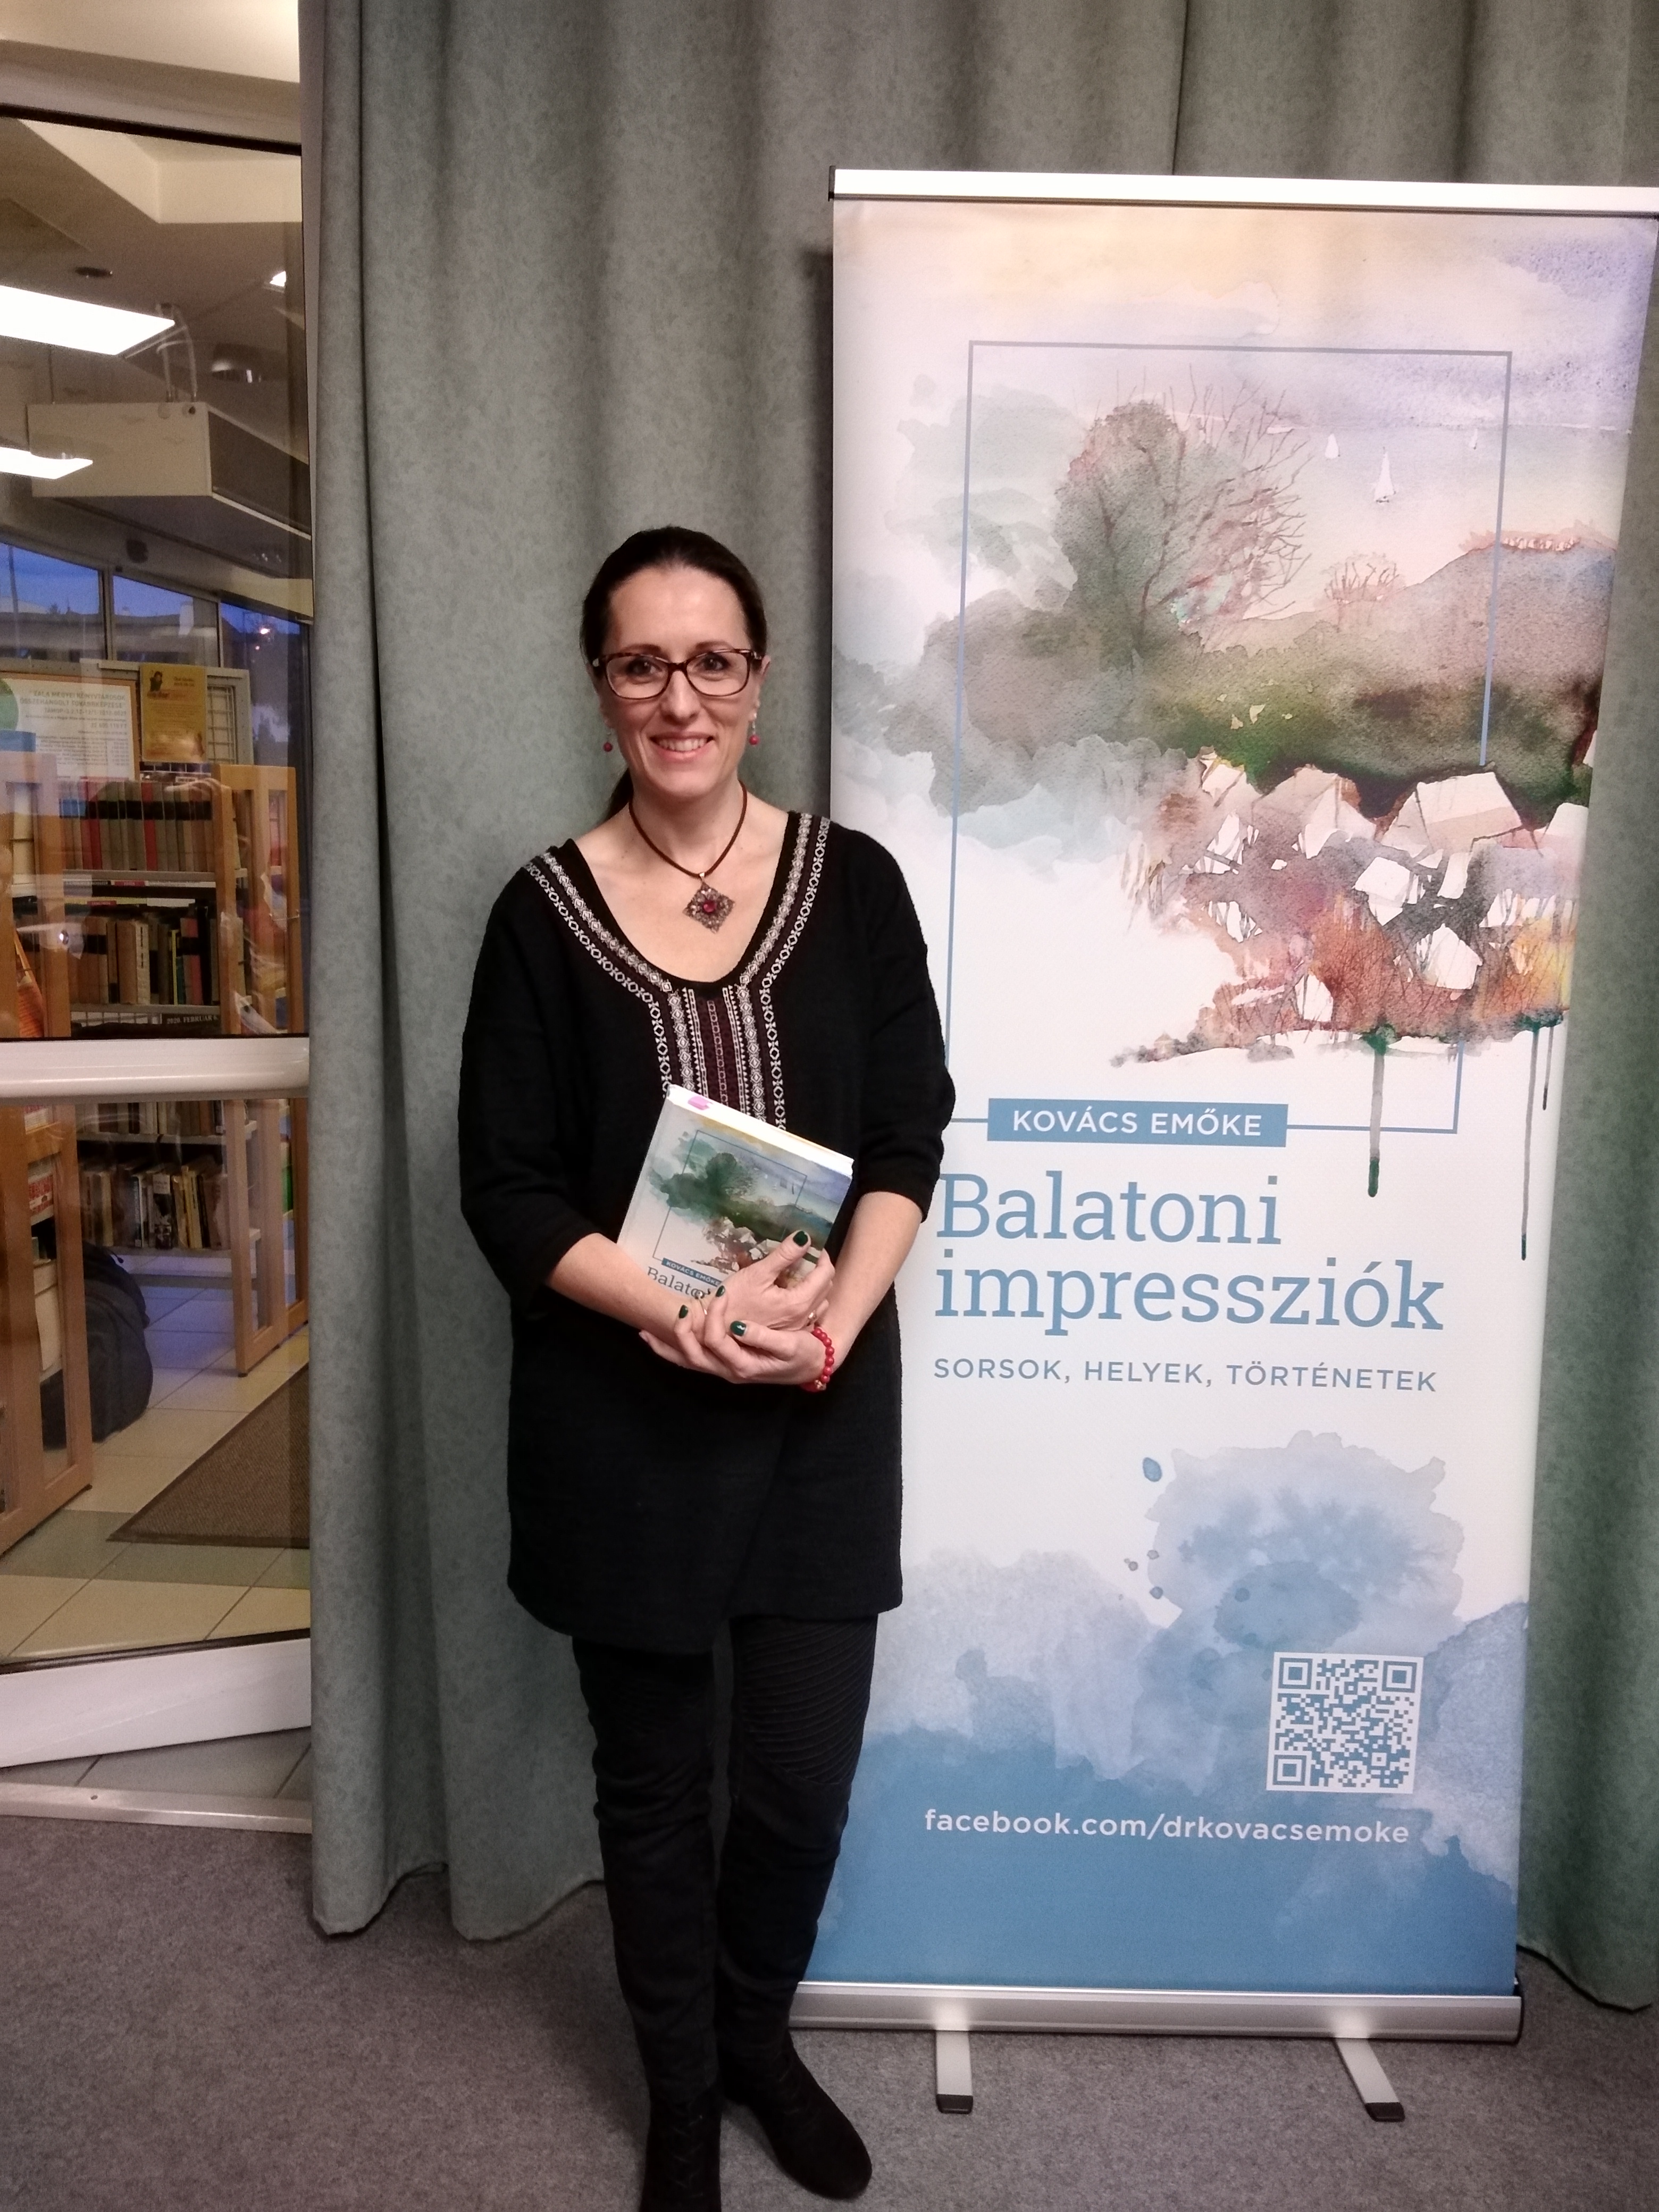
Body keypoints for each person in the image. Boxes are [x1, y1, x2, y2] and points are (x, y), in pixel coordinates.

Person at [458, 526, 953, 2211]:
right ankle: (681, 2092)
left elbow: (908, 1132)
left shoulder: (855, 884)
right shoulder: (540, 915)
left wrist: (836, 1324)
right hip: (623, 1421)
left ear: (758, 679)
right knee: (657, 1789)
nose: (681, 698)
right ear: (601, 687)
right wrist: (668, 1316)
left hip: (819, 1409)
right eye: (643, 664)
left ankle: (755, 2038)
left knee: (799, 1789)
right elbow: (508, 1189)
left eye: (712, 662)